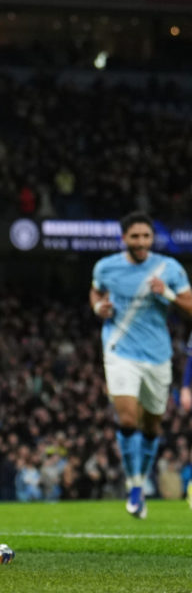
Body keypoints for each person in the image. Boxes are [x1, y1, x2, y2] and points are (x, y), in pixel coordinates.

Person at [90, 210, 192, 519]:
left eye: (146, 236)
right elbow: (96, 291)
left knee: (151, 426)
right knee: (127, 419)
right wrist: (98, 307)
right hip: (119, 350)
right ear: (124, 238)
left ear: (152, 238)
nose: (141, 241)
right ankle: (134, 484)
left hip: (157, 355)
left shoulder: (169, 268)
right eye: (135, 236)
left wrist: (168, 293)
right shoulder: (106, 267)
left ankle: (141, 478)